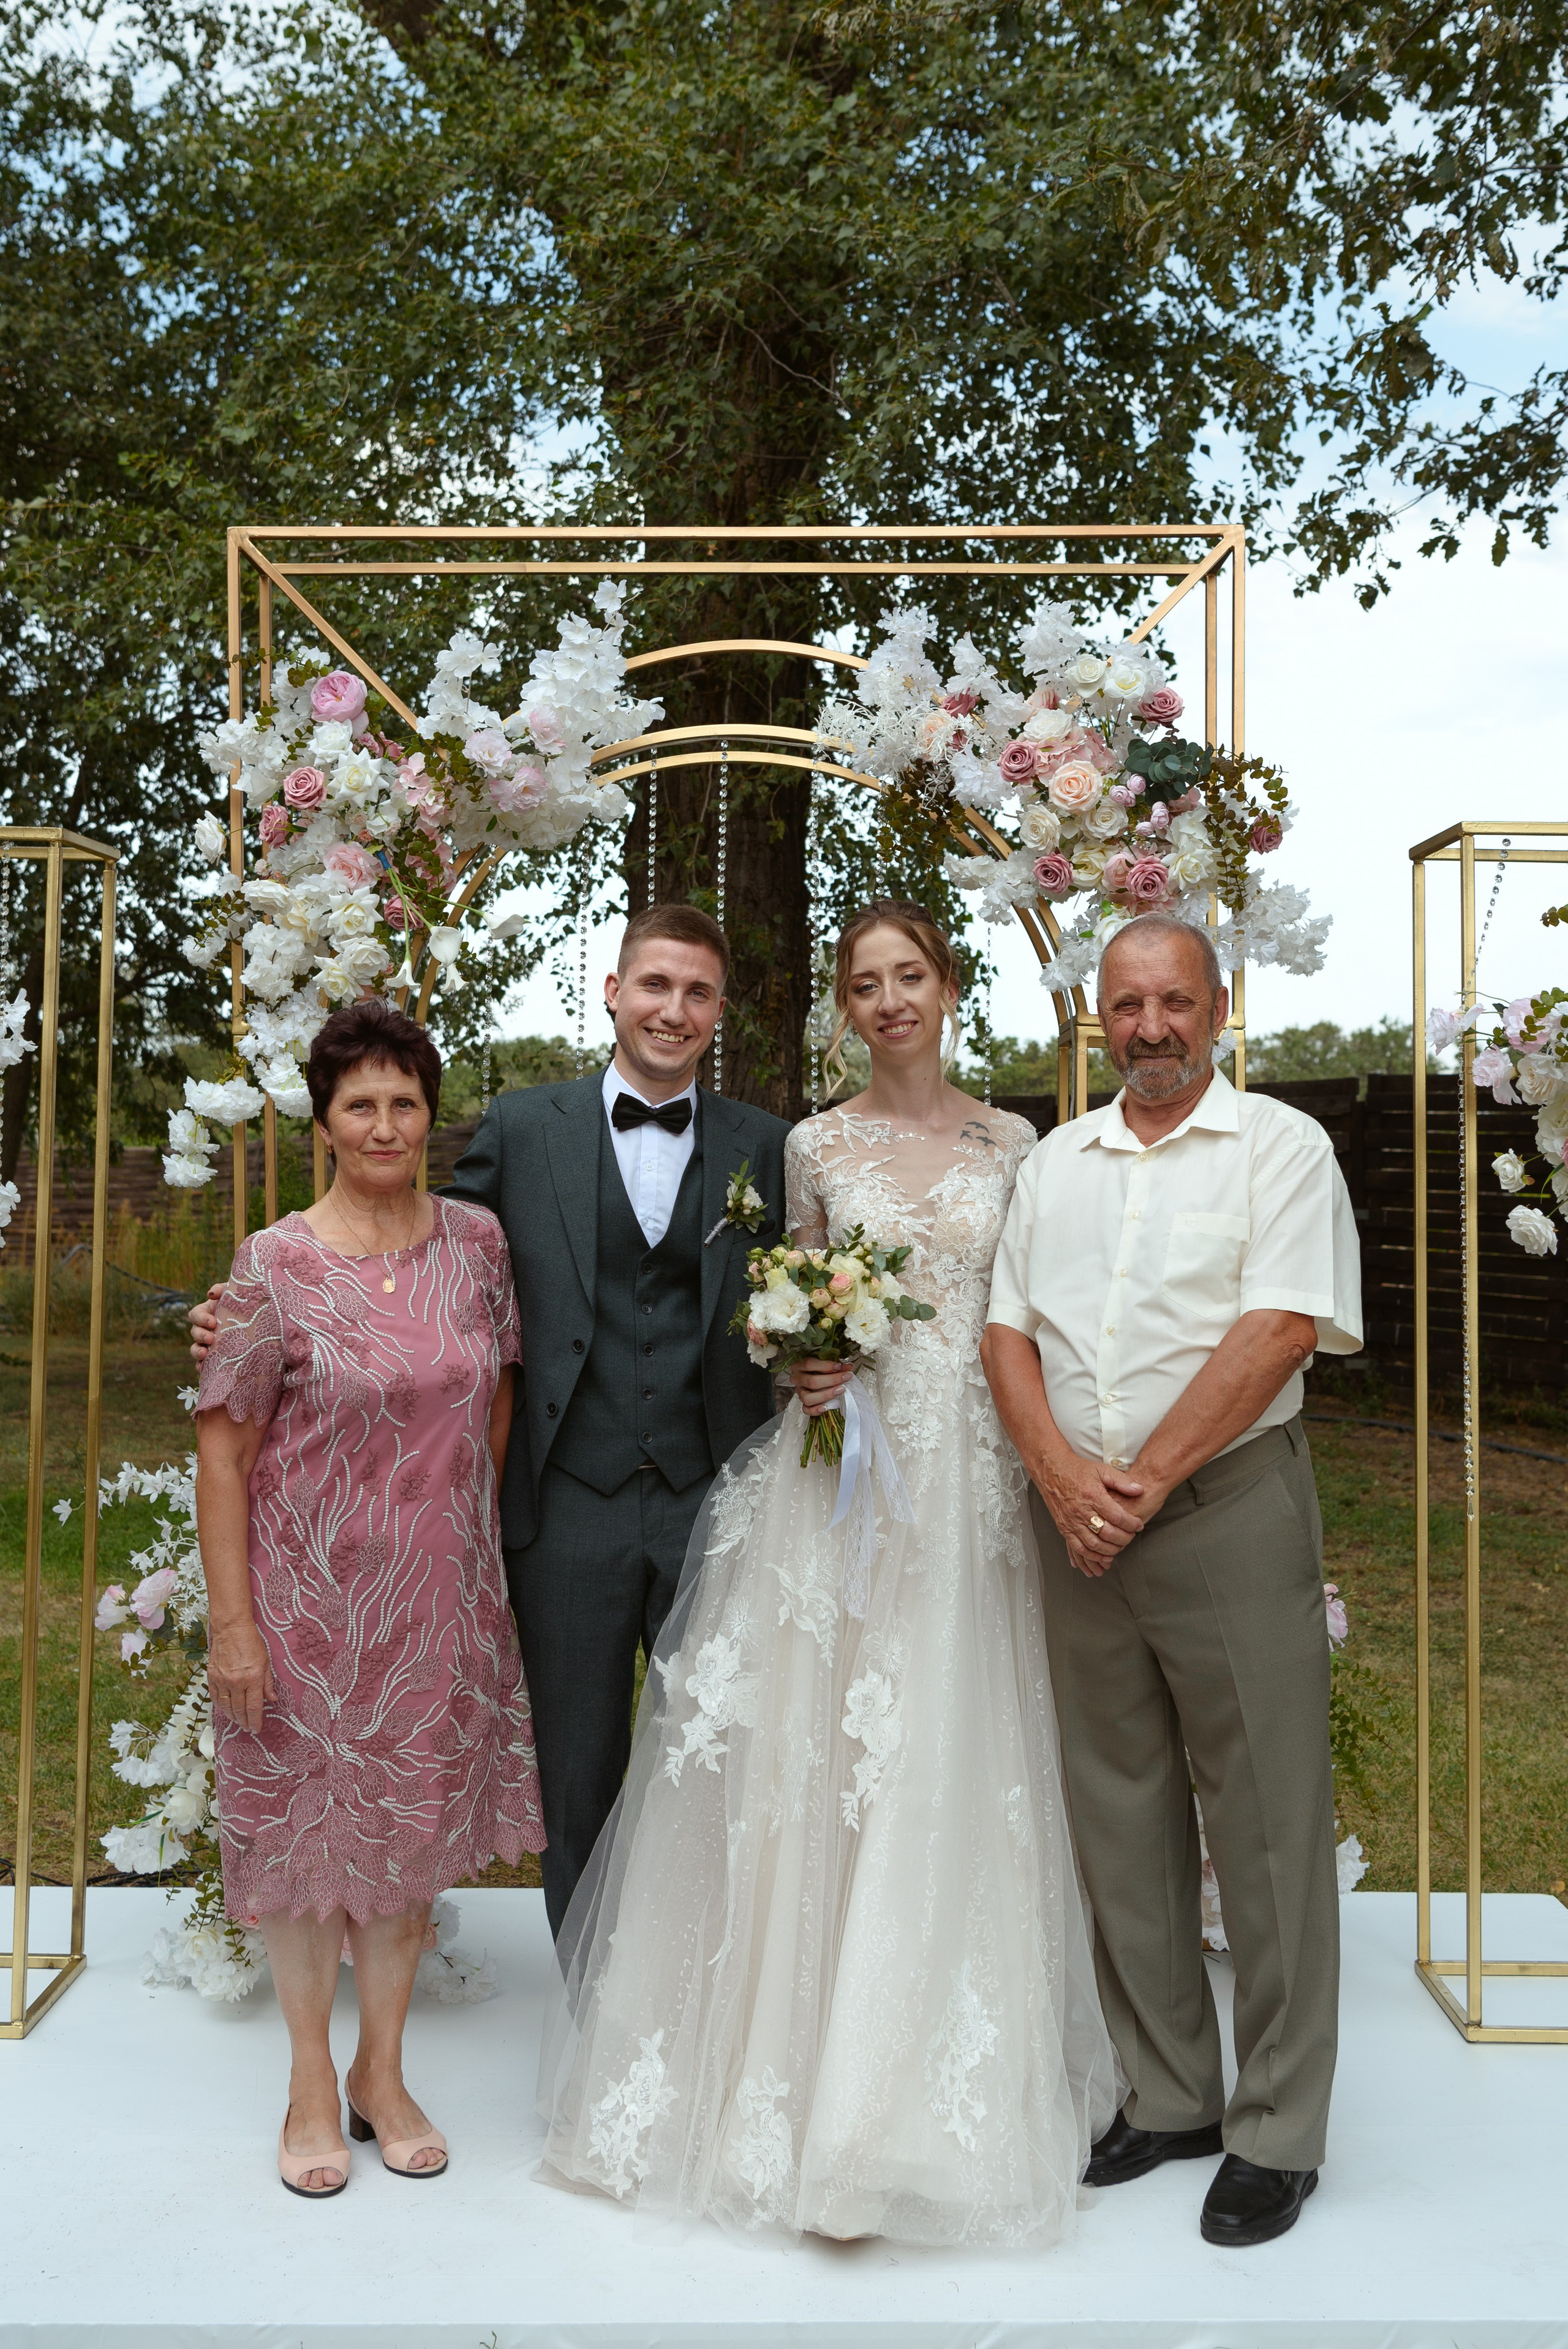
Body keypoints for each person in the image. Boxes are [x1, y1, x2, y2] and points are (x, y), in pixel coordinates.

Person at [537, 900, 1121, 2246]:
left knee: (946, 1752)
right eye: (866, 984)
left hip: (970, 1481)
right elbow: (780, 1301)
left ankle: (903, 2099)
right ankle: (797, 2084)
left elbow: (1033, 1314)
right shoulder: (813, 1145)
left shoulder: (1015, 1145)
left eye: (910, 975)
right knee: (823, 1760)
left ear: (947, 987)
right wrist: (801, 1355)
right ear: (845, 1009)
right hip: (839, 1478)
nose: (890, 999)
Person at [192, 904, 791, 1941]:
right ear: (613, 992)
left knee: (720, 1755)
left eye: (697, 992)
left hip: (715, 1497)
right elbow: (407, 1243)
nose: (673, 1009)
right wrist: (242, 1314)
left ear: (720, 1011)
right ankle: (587, 1992)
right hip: (567, 1503)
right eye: (655, 984)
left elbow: (806, 1284)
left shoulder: (768, 1148)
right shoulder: (524, 1128)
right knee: (575, 1767)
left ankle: (703, 1985)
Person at [982, 910, 1362, 2252]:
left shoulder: (1280, 1148)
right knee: (1118, 1808)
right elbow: (1006, 1331)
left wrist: (1135, 1483)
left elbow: (1278, 1329)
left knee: (1264, 1818)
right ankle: (1169, 2094)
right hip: (1077, 1524)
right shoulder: (1056, 1163)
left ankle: (1276, 2128)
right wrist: (1061, 1482)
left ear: (1220, 1006)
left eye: (1174, 1001)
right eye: (1126, 1005)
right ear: (1101, 1016)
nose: (1149, 1027)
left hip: (1223, 1511)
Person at [194, 998, 545, 2198]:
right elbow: (224, 1454)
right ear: (326, 1121)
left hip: (436, 1605)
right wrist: (234, 1627)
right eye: (361, 1105)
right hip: (303, 1611)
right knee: (303, 1850)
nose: (385, 1125)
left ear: (430, 1116)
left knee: (404, 1844)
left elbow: (496, 1401)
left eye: (405, 1102)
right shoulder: (272, 1264)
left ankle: (380, 2074)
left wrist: (466, 1549)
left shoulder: (478, 1246)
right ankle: (308, 2079)